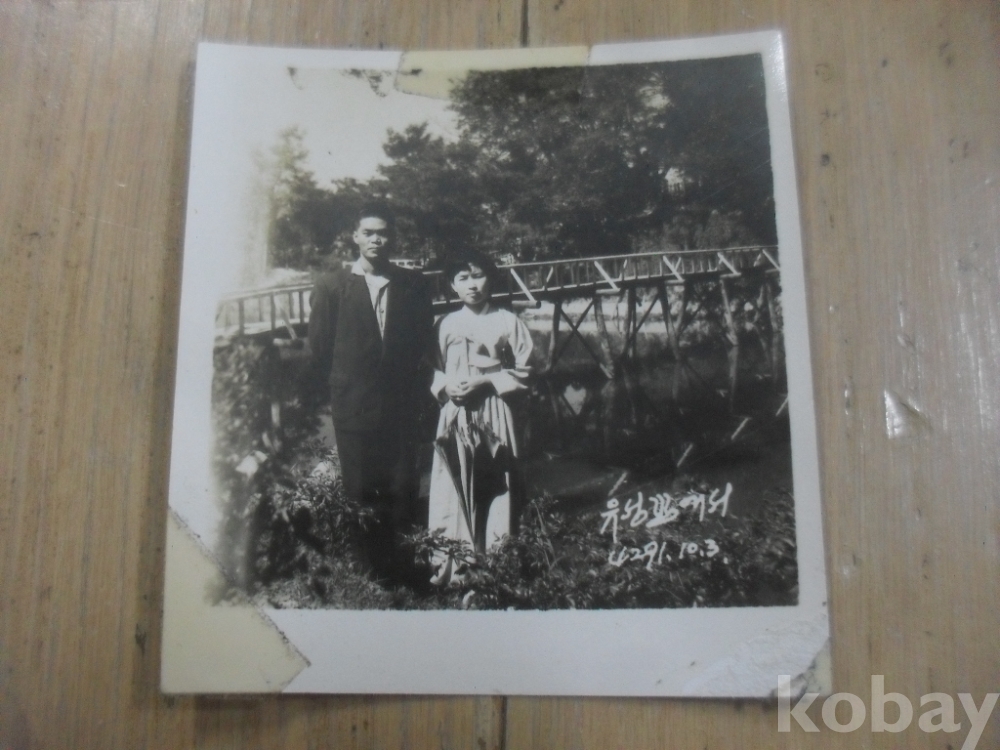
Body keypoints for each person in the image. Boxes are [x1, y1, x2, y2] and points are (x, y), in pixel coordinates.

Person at [308, 203, 434, 578]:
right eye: (369, 233)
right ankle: (366, 570)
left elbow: (422, 344)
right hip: (353, 403)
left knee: (402, 485)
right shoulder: (332, 285)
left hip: (401, 404)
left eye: (383, 233)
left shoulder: (413, 284)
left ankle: (404, 564)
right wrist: (337, 392)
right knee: (360, 487)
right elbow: (320, 348)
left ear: (392, 238)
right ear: (356, 237)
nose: (377, 240)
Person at [427, 250, 534, 585]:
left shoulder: (507, 321)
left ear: (490, 279)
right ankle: (456, 568)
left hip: (495, 412)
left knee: (499, 486)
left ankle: (499, 568)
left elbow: (527, 369)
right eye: (463, 278)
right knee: (453, 485)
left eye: (478, 276)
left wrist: (487, 381)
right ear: (452, 285)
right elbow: (431, 369)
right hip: (455, 413)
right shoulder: (444, 324)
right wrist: (446, 386)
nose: (472, 285)